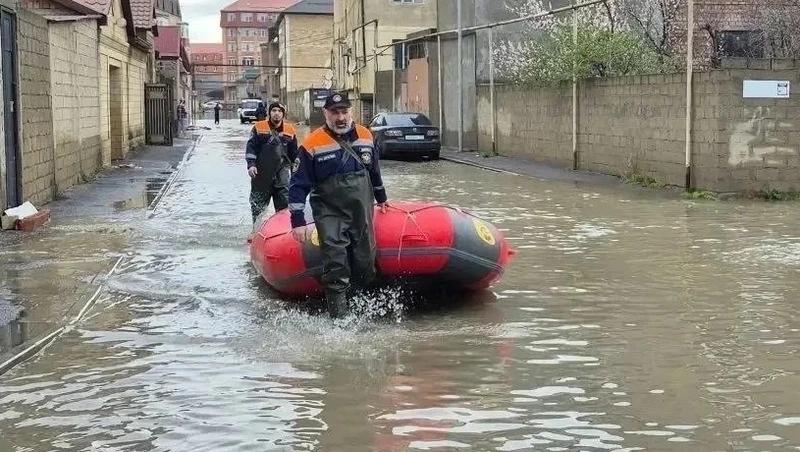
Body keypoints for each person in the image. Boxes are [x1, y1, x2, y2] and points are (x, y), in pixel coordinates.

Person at [288, 92, 388, 318]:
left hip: (361, 212)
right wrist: (298, 221)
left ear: (351, 112)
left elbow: (374, 171)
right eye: (335, 113)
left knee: (365, 264)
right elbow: (297, 185)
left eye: (344, 112)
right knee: (336, 265)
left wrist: (382, 199)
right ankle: (340, 321)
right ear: (326, 114)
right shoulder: (311, 144)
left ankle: (362, 315)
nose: (340, 117)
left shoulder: (366, 136)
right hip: (330, 214)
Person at [246, 101, 298, 223]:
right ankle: (256, 230)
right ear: (269, 113)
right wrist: (251, 165)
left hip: (282, 174)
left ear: (283, 114)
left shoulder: (290, 130)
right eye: (274, 111)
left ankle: (282, 232)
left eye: (280, 111)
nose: (277, 114)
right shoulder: (258, 127)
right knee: (258, 207)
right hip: (262, 174)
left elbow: (294, 155)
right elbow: (251, 148)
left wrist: (297, 173)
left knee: (284, 207)